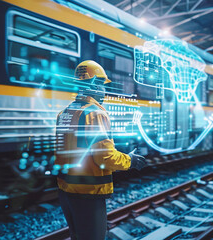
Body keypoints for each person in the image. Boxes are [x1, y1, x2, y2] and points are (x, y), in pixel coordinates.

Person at [55, 60, 147, 240]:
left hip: (66, 191)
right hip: (88, 193)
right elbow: (104, 157)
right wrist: (130, 161)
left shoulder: (65, 113)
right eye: (103, 85)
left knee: (77, 236)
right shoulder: (95, 113)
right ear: (94, 85)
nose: (105, 91)